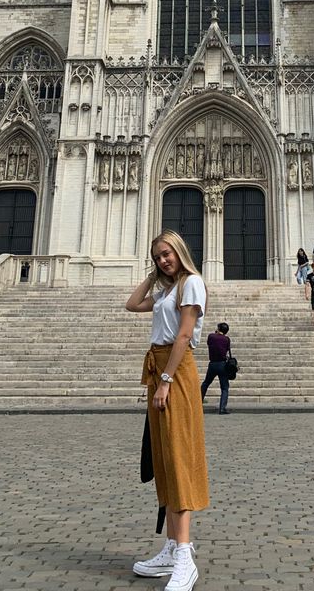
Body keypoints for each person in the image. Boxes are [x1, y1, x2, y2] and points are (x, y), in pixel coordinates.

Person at [126, 230, 208, 590]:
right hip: (159, 367)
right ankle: (172, 546)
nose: (163, 259)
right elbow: (131, 304)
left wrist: (165, 381)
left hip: (173, 372)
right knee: (162, 459)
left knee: (178, 458)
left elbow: (185, 336)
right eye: (158, 255)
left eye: (167, 254)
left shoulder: (191, 284)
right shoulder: (166, 290)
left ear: (180, 251)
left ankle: (185, 557)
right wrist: (152, 273)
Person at [200, 322, 232, 415]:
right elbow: (227, 351)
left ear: (218, 329)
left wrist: (215, 333)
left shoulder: (211, 336)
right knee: (224, 387)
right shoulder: (227, 339)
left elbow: (209, 343)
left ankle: (198, 403)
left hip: (213, 364)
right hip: (222, 364)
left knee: (206, 383)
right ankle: (222, 408)